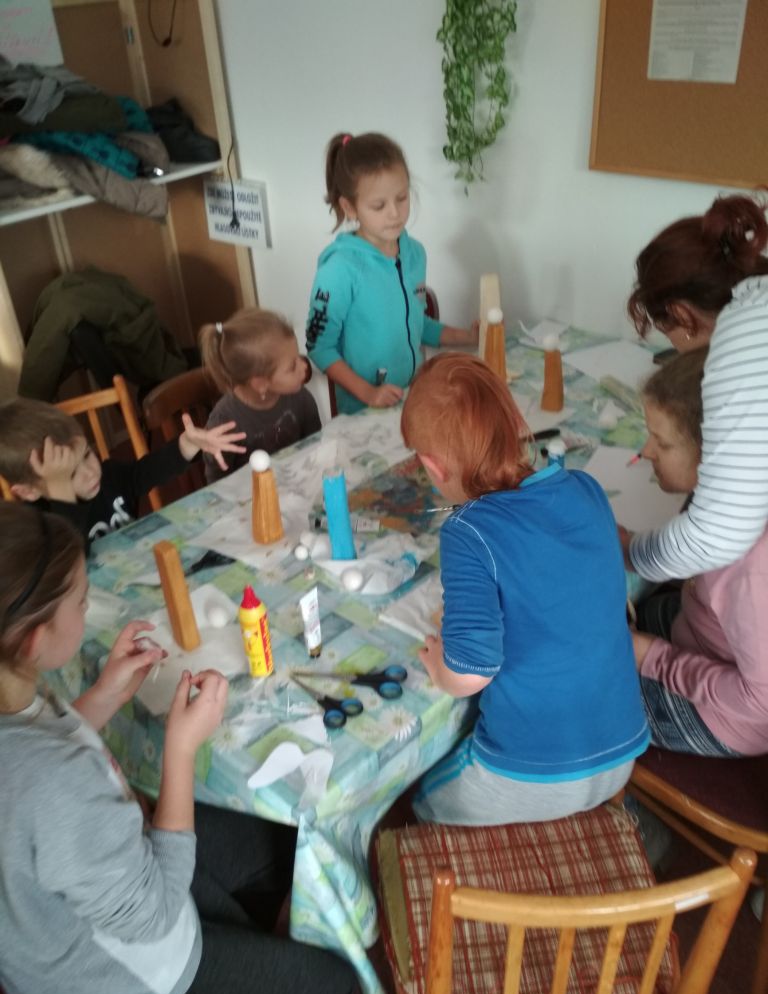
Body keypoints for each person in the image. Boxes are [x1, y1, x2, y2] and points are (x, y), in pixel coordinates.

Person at [0, 504, 357, 994]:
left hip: (94, 909)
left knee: (283, 839)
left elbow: (40, 752)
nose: (88, 605)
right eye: (81, 601)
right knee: (335, 989)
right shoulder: (51, 782)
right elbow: (157, 913)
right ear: (34, 640)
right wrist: (181, 748)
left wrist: (105, 695)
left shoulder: (15, 702)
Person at [400, 353, 649, 825]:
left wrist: (438, 667)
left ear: (432, 467)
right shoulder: (585, 488)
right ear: (515, 423)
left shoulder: (467, 532)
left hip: (530, 774)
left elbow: (471, 672)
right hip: (623, 753)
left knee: (414, 798)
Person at [623, 190, 768, 581]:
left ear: (682, 316)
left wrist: (629, 550)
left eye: (667, 333)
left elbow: (717, 534)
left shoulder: (745, 334)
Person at [631, 350, 768, 756]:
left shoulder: (753, 573)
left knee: (570, 684)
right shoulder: (735, 494)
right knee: (609, 619)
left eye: (662, 442)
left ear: (717, 456)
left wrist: (654, 658)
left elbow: (759, 701)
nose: (646, 451)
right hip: (701, 629)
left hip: (729, 715)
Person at [305, 132, 477, 415]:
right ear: (350, 207)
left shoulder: (415, 254)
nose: (395, 213)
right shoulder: (339, 270)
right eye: (379, 205)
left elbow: (417, 323)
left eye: (402, 198)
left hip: (413, 399)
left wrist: (468, 336)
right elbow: (319, 347)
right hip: (363, 413)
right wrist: (369, 393)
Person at [0, 397, 246, 547]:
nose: (90, 473)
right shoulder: (32, 529)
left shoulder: (109, 477)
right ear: (28, 492)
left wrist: (187, 444)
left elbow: (147, 471)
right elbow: (69, 565)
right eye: (69, 475)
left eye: (87, 454)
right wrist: (61, 493)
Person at [201, 308, 321, 483]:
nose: (304, 367)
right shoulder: (224, 423)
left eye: (299, 357)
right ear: (261, 384)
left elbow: (315, 450)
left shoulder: (302, 398)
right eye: (292, 367)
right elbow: (218, 485)